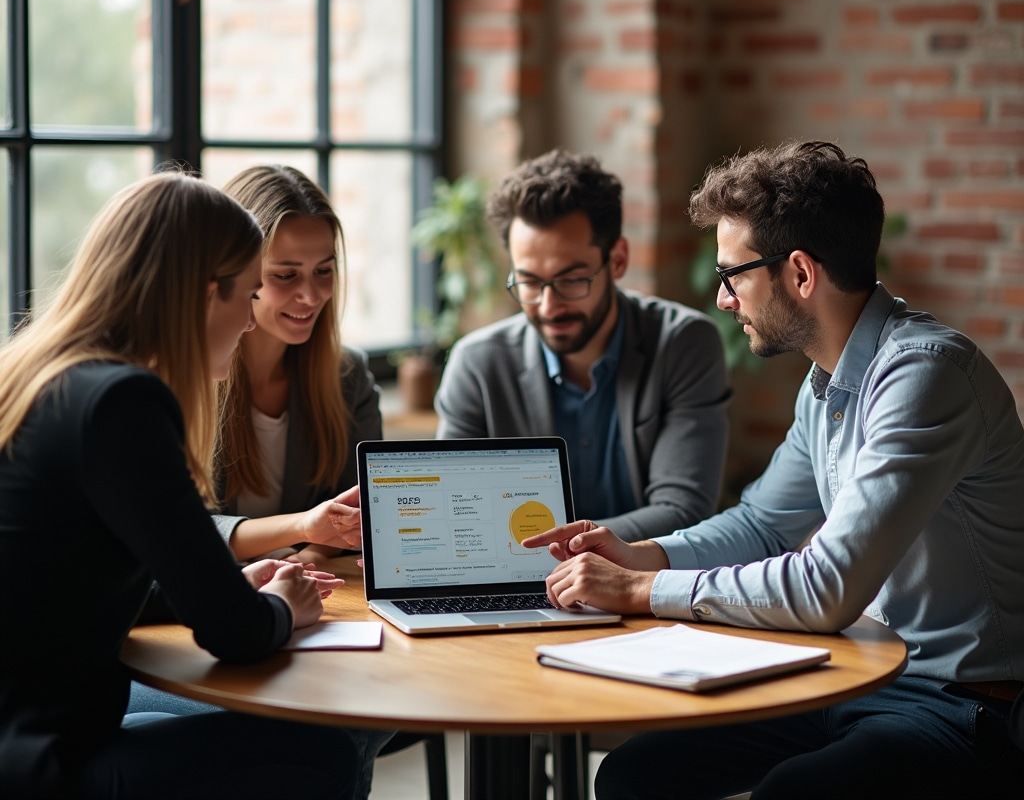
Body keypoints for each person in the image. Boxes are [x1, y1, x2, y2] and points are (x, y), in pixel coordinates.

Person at [523, 141, 1024, 798]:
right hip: (852, 675)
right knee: (634, 775)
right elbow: (764, 523)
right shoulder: (826, 384)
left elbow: (826, 588)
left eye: (733, 274)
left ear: (800, 274)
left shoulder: (925, 375)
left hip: (959, 703)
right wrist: (640, 555)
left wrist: (637, 592)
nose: (724, 299)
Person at [0, 172, 374, 800]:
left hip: (21, 740)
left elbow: (72, 582)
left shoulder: (43, 374)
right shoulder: (123, 402)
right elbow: (236, 635)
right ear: (206, 295)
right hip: (49, 766)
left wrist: (229, 587)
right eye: (250, 293)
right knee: (322, 754)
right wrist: (286, 607)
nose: (251, 322)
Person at [435, 149, 731, 541]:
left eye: (571, 279)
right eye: (528, 282)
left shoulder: (683, 343)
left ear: (618, 260)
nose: (548, 304)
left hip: (641, 587)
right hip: (520, 585)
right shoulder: (476, 364)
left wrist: (557, 548)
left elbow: (683, 509)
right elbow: (455, 508)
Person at [212, 164, 376, 562]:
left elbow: (364, 514)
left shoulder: (348, 379)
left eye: (324, 271)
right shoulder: (178, 380)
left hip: (310, 592)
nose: (311, 294)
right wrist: (302, 529)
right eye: (285, 275)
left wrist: (305, 563)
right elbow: (175, 526)